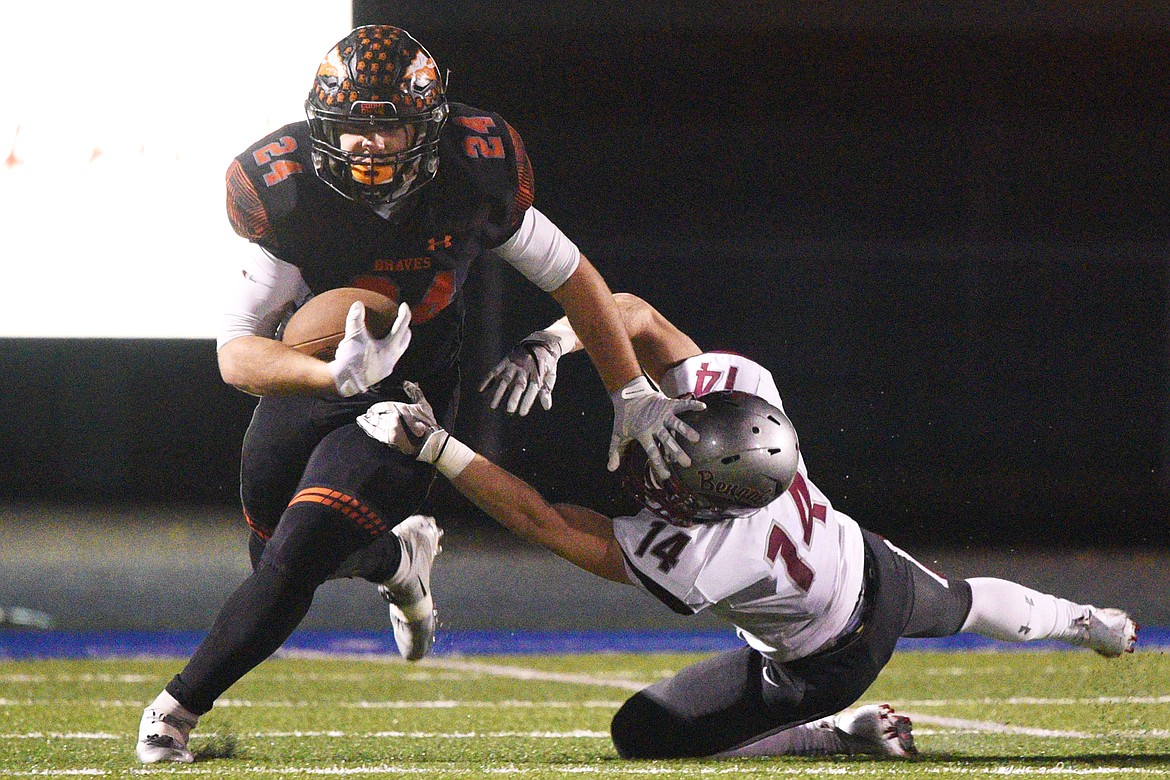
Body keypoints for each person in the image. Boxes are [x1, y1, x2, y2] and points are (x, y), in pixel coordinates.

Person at [135, 26, 703, 764]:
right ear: (320, 125)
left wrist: (629, 389)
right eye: (353, 128)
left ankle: (174, 711)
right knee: (271, 546)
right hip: (312, 377)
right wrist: (328, 374)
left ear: (428, 128)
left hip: (411, 382)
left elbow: (573, 276)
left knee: (300, 553)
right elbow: (237, 353)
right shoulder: (283, 188)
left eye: (387, 125)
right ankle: (394, 562)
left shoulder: (475, 171)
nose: (368, 145)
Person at [357, 292, 1138, 760]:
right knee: (962, 603)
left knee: (643, 733)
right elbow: (633, 316)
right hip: (874, 569)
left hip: (820, 665)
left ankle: (836, 733)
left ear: (709, 501)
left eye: (669, 475)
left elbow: (544, 520)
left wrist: (434, 444)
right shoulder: (746, 406)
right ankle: (1090, 622)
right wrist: (554, 342)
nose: (648, 474)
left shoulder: (698, 558)